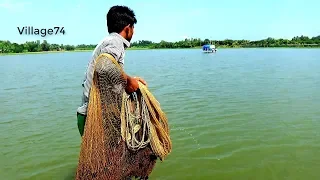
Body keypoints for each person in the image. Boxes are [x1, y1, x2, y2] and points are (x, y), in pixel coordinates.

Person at [76, 5, 147, 136]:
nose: (134, 32)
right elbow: (105, 66)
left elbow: (110, 74)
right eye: (133, 28)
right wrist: (128, 81)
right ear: (128, 28)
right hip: (93, 118)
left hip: (89, 115)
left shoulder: (108, 41)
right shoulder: (115, 42)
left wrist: (131, 80)